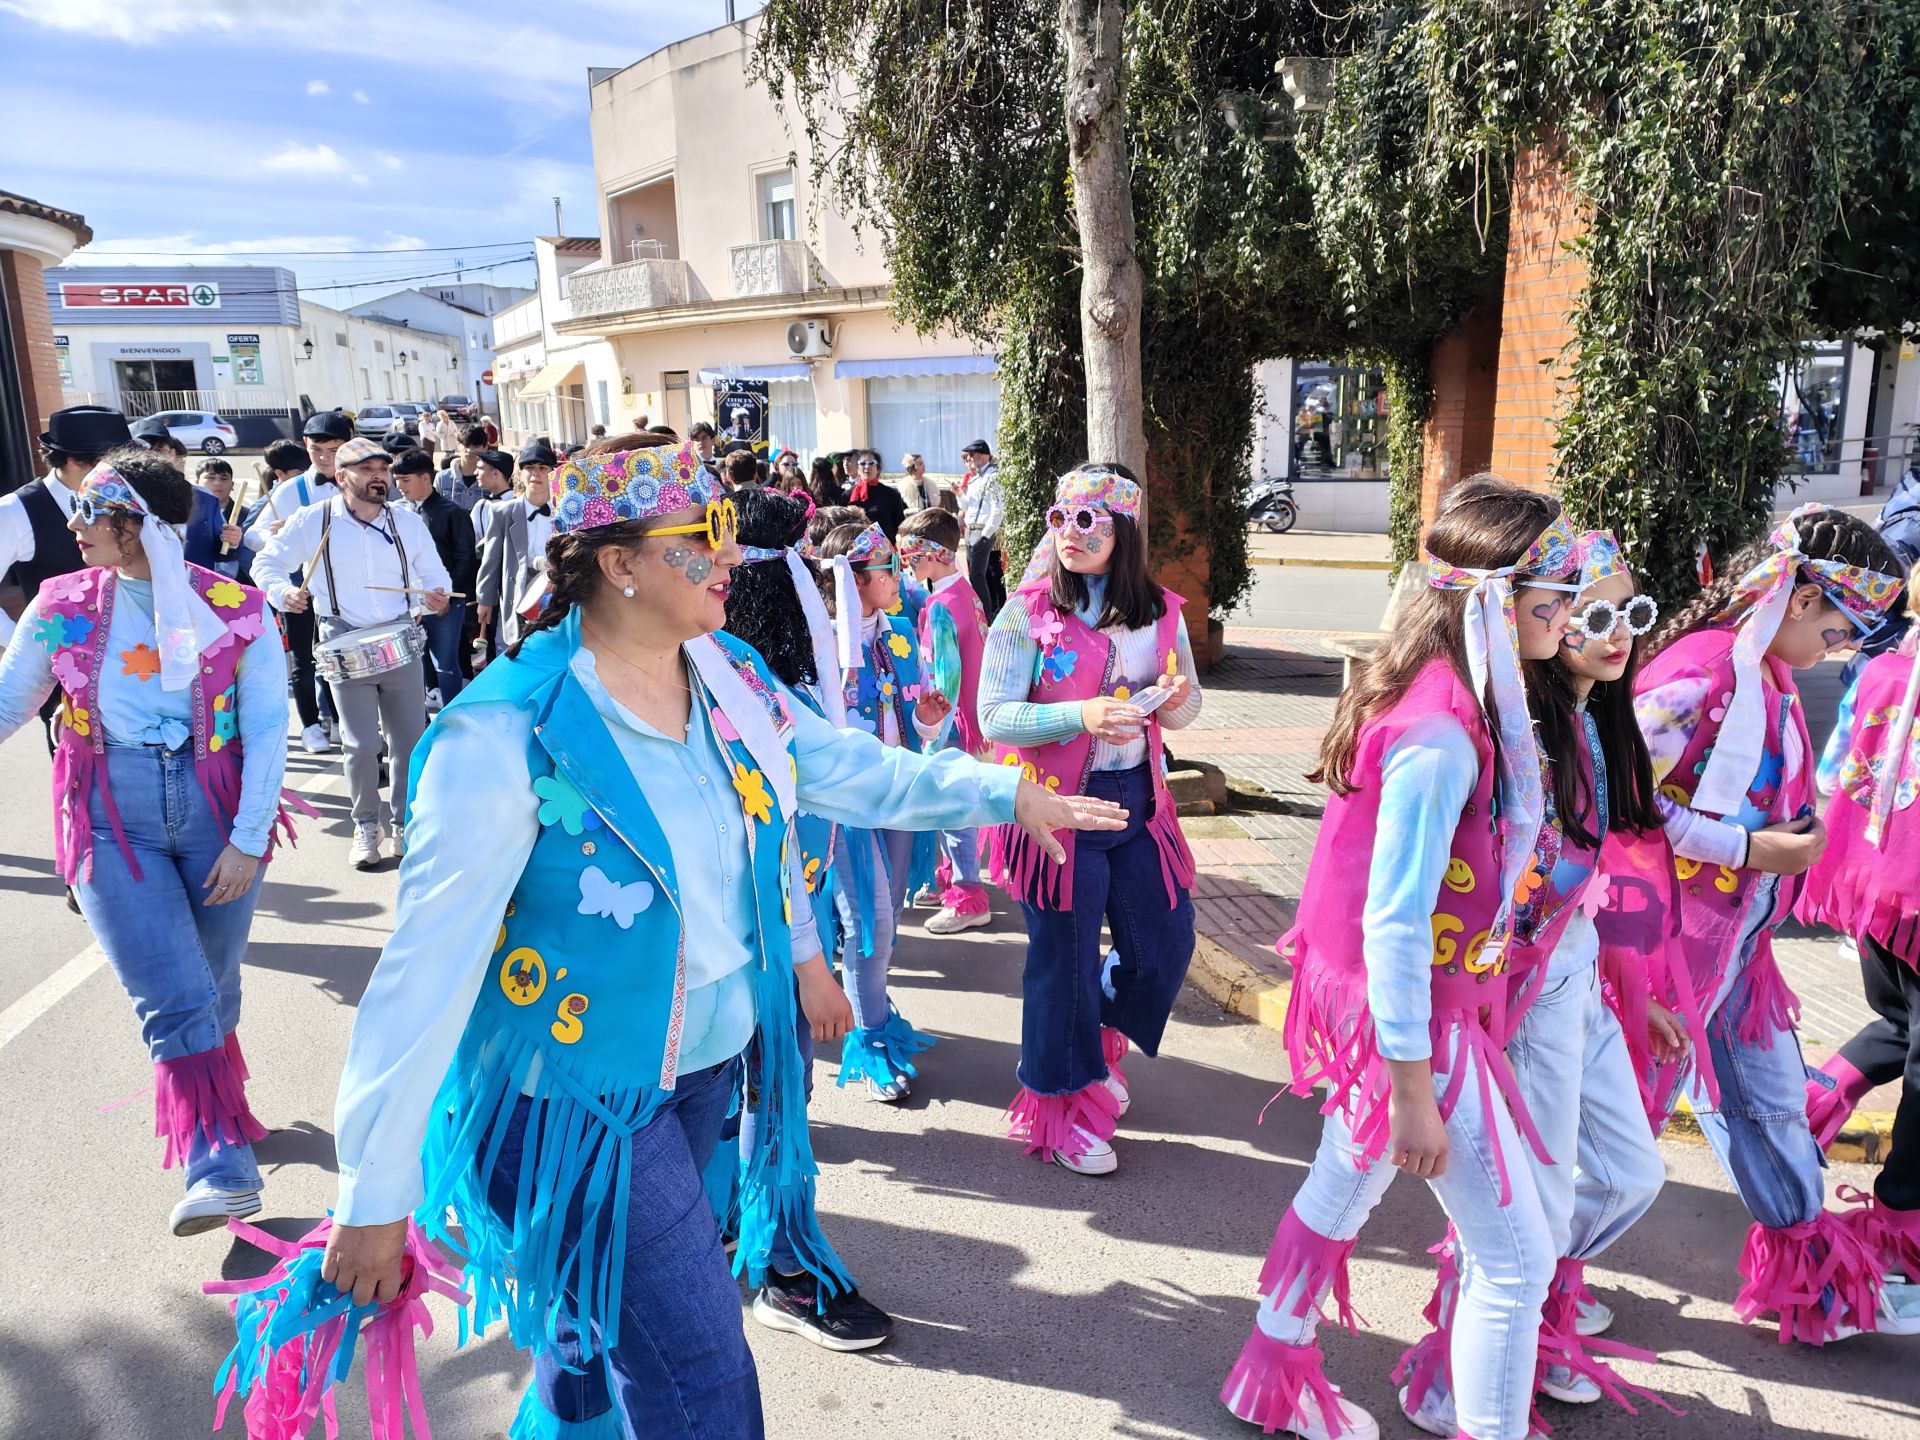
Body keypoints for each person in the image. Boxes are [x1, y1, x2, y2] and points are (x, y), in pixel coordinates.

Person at [215, 436, 1125, 1437]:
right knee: (702, 1378)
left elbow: (848, 767)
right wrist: (374, 1191)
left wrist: (1001, 789)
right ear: (621, 562)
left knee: (588, 1332)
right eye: (709, 536)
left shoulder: (726, 671)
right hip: (574, 1108)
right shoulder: (506, 733)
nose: (735, 557)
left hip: (702, 1078)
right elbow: (422, 972)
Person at [1218, 479, 1579, 1440]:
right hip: (1410, 1012)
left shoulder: (1449, 700)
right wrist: (1413, 1087)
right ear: (1499, 599)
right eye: (1559, 590)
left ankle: (1276, 1370)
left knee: (1350, 1173)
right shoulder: (1438, 731)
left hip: (1403, 1005)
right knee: (1516, 1262)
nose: (1573, 609)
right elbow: (1396, 921)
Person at [1595, 503, 1915, 1345]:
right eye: (1845, 629)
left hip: (1736, 962)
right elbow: (1608, 798)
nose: (1845, 649)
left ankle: (1811, 1282)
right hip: (1664, 961)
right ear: (1801, 599)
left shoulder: (1762, 673)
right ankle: (1527, 1292)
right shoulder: (1702, 677)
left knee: (1773, 1111)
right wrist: (1750, 846)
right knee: (1616, 1136)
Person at [1392, 529, 1677, 1434]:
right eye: (1583, 609)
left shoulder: (1593, 724)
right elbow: (1425, 904)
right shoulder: (1505, 731)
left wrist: (1634, 988)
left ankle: (1521, 1308)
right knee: (1527, 1223)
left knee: (1632, 1176)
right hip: (1525, 994)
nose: (1613, 629)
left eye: (1632, 611)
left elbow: (1591, 872)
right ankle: (1475, 1356)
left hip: (1578, 981)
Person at [0, 447, 295, 1235]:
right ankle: (220, 1168)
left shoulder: (235, 606)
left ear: (136, 523)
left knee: (214, 986)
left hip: (218, 809)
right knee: (173, 994)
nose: (72, 526)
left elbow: (268, 728)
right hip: (107, 816)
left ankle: (220, 1108)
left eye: (90, 513)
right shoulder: (60, 604)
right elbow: (6, 705)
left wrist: (248, 836)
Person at [977, 465, 1203, 1176]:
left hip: (1139, 800)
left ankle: (1093, 1038)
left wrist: (1170, 701)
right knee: (1064, 964)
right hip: (1055, 809)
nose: (1070, 534)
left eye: (1090, 520)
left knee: (1164, 943)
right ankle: (1064, 1103)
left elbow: (1190, 705)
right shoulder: (1026, 613)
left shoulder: (1164, 611)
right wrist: (1081, 714)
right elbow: (993, 716)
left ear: (1124, 530)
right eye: (1060, 517)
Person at [720, 483, 898, 1350]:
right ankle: (775, 1265)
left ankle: (760, 1251)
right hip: (743, 960)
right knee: (764, 1097)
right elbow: (775, 838)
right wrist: (808, 961)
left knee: (760, 1096)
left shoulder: (757, 683)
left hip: (767, 950)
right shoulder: (736, 690)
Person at [1799, 582, 1920, 1311]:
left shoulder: (1884, 667)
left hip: (1874, 892)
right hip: (1913, 897)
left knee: (1904, 1023)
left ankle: (1817, 1099)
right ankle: (1904, 1221)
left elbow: (1831, 771)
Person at [253, 438, 451, 870]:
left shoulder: (407, 523)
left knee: (409, 742)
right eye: (368, 470)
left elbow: (434, 573)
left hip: (400, 640)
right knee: (360, 745)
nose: (379, 476)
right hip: (343, 641)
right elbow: (264, 563)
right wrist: (284, 592)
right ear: (342, 478)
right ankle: (366, 824)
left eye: (383, 468)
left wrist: (436, 595)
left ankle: (404, 823)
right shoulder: (313, 520)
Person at [816, 520, 946, 1101]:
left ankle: (872, 1004)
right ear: (850, 577)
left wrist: (927, 719)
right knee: (870, 919)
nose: (898, 575)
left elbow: (911, 728)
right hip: (843, 805)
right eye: (886, 567)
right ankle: (867, 1038)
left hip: (895, 793)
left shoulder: (896, 633)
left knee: (887, 910)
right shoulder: (819, 643)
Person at [899, 506, 994, 935]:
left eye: (911, 555)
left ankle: (968, 896)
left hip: (951, 723)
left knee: (955, 809)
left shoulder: (941, 606)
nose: (906, 563)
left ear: (935, 554)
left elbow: (946, 679)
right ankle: (951, 880)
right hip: (966, 720)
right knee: (953, 806)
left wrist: (934, 736)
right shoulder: (965, 594)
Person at [244, 410, 354, 755]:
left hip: (345, 589)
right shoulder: (292, 490)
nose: (325, 458)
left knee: (340, 658)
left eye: (334, 450)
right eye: (317, 450)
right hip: (299, 588)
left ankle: (339, 720)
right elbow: (252, 536)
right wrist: (271, 535)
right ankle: (310, 725)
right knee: (305, 660)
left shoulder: (360, 482)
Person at [393, 448, 475, 707]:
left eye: (405, 480)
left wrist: (450, 598)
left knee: (446, 663)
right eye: (396, 480)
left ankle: (452, 713)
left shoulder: (452, 512)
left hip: (444, 600)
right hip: (409, 601)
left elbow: (465, 558)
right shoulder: (398, 513)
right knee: (413, 662)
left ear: (425, 478)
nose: (399, 486)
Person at [477, 441, 557, 653]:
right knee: (519, 649)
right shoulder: (503, 511)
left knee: (553, 649)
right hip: (520, 586)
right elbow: (491, 559)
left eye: (542, 468)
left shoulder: (564, 510)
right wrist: (485, 600)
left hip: (556, 587)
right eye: (529, 468)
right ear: (519, 474)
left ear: (552, 473)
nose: (535, 474)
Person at [958, 438, 1005, 618]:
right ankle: (983, 612)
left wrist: (986, 534)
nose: (971, 458)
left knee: (977, 575)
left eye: (974, 454)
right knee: (977, 574)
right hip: (971, 529)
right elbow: (966, 506)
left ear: (984, 455)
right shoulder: (975, 479)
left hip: (982, 530)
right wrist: (958, 494)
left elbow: (997, 508)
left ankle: (985, 615)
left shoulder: (994, 476)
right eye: (969, 455)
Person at [192, 459, 246, 579]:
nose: (217, 483)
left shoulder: (246, 515)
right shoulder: (188, 514)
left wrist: (233, 543)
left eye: (224, 478)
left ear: (232, 485)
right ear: (197, 482)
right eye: (210, 477)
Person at [847, 450, 906, 540]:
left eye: (871, 463)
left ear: (878, 469)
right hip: (857, 548)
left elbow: (900, 524)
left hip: (885, 549)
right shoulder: (848, 495)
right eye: (862, 463)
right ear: (858, 469)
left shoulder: (891, 494)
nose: (867, 467)